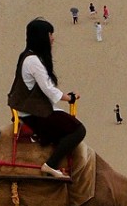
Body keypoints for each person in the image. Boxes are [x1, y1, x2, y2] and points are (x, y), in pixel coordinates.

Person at [6, 18, 86, 178]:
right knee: (79, 130)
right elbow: (48, 89)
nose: (53, 38)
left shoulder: (28, 56)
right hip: (33, 113)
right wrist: (69, 98)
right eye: (50, 34)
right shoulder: (33, 61)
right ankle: (51, 165)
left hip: (34, 108)